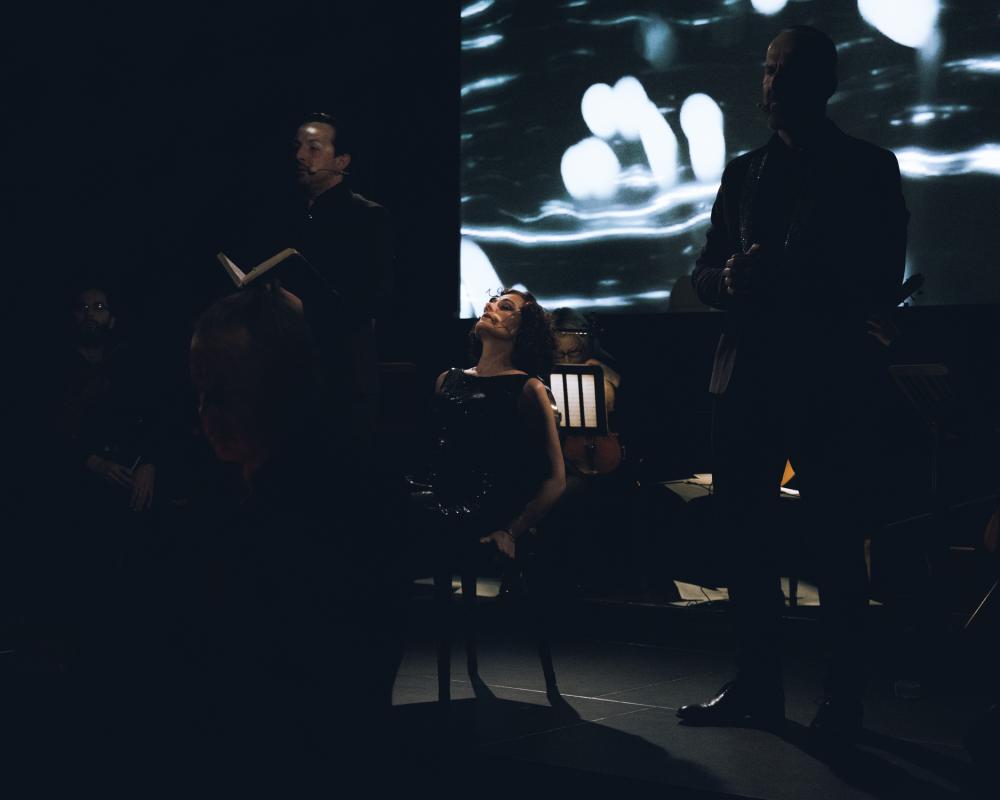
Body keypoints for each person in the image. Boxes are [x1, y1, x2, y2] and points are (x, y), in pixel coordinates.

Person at [678, 26, 909, 739]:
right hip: (746, 379)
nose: (771, 83)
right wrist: (729, 279)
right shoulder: (744, 172)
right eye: (768, 69)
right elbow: (703, 270)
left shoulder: (868, 167)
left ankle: (842, 700)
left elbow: (881, 275)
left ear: (824, 83)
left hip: (826, 379)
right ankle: (757, 687)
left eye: (785, 70)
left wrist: (791, 281)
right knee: (744, 540)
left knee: (836, 542)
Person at [418, 290, 565, 698]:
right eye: (492, 302)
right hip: (444, 502)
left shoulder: (529, 388)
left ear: (523, 329)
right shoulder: (447, 380)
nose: (491, 307)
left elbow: (555, 479)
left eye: (506, 307)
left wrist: (512, 530)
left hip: (490, 512)